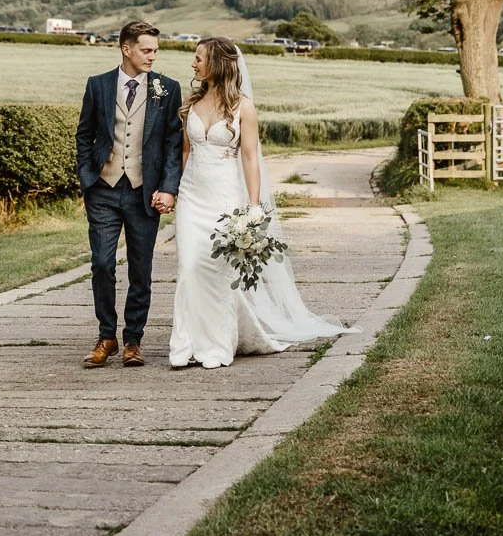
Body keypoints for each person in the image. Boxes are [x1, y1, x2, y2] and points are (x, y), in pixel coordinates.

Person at [167, 36, 351, 369]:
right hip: (192, 196)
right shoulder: (191, 102)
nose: (193, 64)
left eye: (199, 58)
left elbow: (250, 159)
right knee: (189, 268)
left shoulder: (244, 107)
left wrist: (252, 208)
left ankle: (217, 345)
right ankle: (186, 344)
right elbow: (185, 151)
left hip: (226, 198)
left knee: (217, 272)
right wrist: (177, 191)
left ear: (218, 63)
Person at [74, 20, 183, 368]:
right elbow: (84, 134)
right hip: (103, 189)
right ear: (126, 48)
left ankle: (133, 340)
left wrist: (168, 187)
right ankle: (106, 335)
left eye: (155, 51)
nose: (152, 56)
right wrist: (86, 177)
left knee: (141, 269)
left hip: (143, 192)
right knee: (102, 264)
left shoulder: (168, 89)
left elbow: (172, 143)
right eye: (146, 50)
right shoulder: (98, 85)